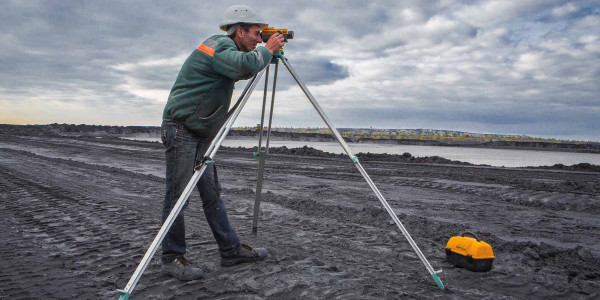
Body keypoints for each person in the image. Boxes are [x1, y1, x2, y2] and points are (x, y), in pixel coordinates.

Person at [159, 4, 285, 281]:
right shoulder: (218, 45)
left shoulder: (229, 49)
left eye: (262, 36)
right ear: (239, 30)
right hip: (181, 129)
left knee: (212, 194)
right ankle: (170, 258)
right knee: (178, 195)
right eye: (256, 33)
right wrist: (268, 50)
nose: (259, 39)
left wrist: (265, 52)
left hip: (199, 133)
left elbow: (247, 63)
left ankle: (230, 250)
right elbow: (244, 67)